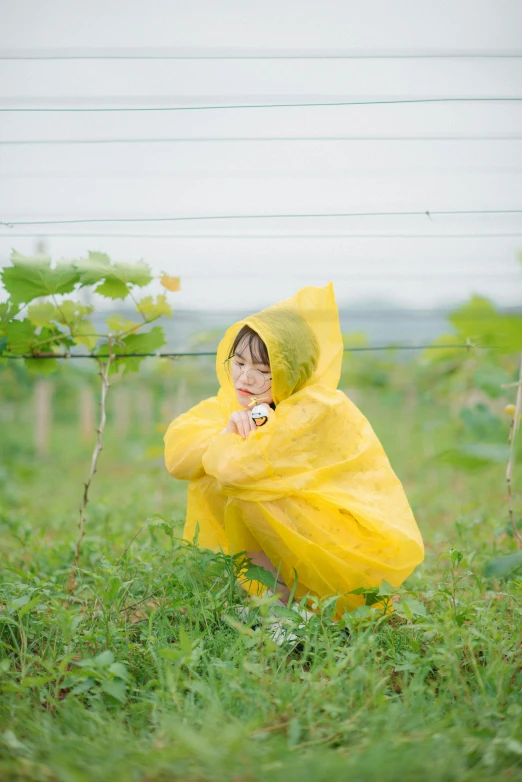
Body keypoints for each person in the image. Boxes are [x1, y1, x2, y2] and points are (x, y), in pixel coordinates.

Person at [163, 282, 424, 617]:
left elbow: (235, 470)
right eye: (239, 363)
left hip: (344, 540)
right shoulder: (234, 402)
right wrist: (227, 430)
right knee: (211, 478)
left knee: (242, 488)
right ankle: (274, 600)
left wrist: (227, 439)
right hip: (308, 532)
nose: (245, 379)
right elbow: (178, 458)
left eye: (262, 372)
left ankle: (291, 605)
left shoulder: (313, 405)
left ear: (291, 372)